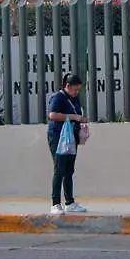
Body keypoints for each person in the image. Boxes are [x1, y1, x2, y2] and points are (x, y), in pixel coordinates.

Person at [46, 73, 88, 215]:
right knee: (59, 169)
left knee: (69, 170)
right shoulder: (58, 97)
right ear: (67, 86)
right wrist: (73, 117)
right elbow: (52, 115)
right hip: (59, 137)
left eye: (78, 90)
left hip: (71, 138)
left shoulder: (74, 99)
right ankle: (55, 203)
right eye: (75, 89)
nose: (76, 92)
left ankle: (69, 202)